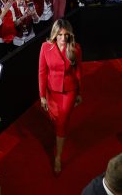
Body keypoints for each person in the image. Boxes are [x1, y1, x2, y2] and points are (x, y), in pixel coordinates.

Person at [38, 19, 82, 174]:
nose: (63, 38)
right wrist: (42, 96)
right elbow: (42, 73)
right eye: (60, 35)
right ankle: (59, 134)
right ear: (54, 34)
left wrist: (79, 93)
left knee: (62, 123)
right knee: (55, 119)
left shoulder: (75, 48)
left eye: (66, 35)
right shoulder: (45, 47)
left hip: (69, 92)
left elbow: (78, 72)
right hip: (51, 92)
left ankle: (58, 157)